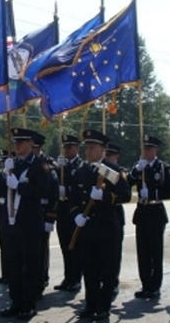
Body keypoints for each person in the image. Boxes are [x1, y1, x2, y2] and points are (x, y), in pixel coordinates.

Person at [71, 129, 131, 321]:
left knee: (107, 269)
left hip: (107, 228)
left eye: (93, 147)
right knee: (89, 269)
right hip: (87, 228)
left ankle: (103, 307)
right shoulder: (81, 171)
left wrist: (105, 196)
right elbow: (73, 198)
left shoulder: (110, 171)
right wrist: (76, 215)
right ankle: (91, 305)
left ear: (103, 150)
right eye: (87, 147)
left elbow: (125, 195)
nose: (89, 151)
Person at [0, 128, 51, 320]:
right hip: (12, 223)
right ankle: (16, 302)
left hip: (30, 224)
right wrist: (6, 173)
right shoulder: (14, 164)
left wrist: (19, 186)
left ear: (31, 143)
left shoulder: (40, 165)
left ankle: (28, 305)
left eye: (21, 142)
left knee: (30, 267)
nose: (18, 145)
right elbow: (1, 189)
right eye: (16, 142)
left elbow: (42, 190)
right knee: (13, 266)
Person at [128, 135, 170, 299]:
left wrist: (154, 193)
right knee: (143, 251)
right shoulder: (139, 167)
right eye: (144, 148)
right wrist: (136, 170)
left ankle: (155, 286)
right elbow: (127, 182)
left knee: (155, 251)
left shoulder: (163, 168)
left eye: (149, 148)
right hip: (142, 211)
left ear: (155, 150)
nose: (146, 151)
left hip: (155, 211)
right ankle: (145, 284)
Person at [53, 134, 84, 293]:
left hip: (74, 212)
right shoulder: (61, 166)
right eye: (65, 147)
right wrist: (57, 169)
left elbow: (78, 186)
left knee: (75, 246)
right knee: (65, 245)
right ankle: (68, 277)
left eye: (70, 147)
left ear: (77, 148)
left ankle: (76, 279)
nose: (66, 150)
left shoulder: (80, 165)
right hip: (62, 211)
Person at [31, 131, 58, 298]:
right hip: (29, 213)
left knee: (41, 250)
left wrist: (50, 217)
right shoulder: (27, 163)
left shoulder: (46, 165)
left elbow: (53, 194)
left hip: (42, 212)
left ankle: (41, 279)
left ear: (38, 148)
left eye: (33, 147)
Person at [104, 141, 128, 301]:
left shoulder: (116, 172)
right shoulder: (98, 168)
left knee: (113, 255)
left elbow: (124, 195)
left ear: (116, 156)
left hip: (113, 216)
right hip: (97, 218)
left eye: (111, 155)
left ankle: (112, 283)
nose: (109, 158)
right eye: (107, 155)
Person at [0, 149, 12, 285]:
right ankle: (5, 273)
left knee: (11, 245)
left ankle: (12, 273)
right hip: (1, 212)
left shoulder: (14, 175)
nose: (2, 165)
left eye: (5, 162)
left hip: (11, 212)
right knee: (3, 244)